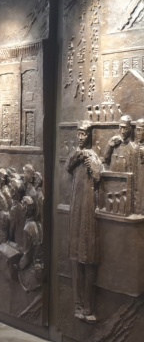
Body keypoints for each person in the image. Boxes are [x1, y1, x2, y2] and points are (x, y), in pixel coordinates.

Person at [66, 121, 102, 324]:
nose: (81, 137)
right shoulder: (75, 155)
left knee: (87, 257)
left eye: (84, 134)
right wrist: (78, 156)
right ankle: (77, 304)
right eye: (79, 134)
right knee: (75, 258)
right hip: (76, 210)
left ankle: (88, 306)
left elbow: (98, 175)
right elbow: (68, 166)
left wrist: (90, 163)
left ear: (89, 136)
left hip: (88, 211)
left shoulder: (93, 157)